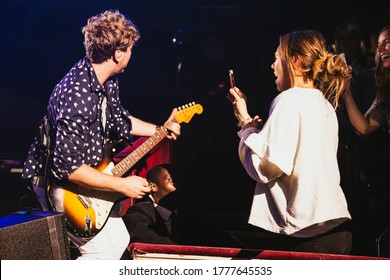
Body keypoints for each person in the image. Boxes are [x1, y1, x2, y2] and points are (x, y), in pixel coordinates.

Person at [21, 9, 181, 260]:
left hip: (85, 170)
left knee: (119, 240)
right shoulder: (77, 95)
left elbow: (119, 120)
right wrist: (122, 185)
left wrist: (160, 130)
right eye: (129, 50)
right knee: (102, 252)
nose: (130, 55)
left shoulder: (106, 79)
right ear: (118, 53)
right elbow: (69, 168)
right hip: (56, 182)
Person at [227, 29, 352, 254]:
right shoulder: (323, 104)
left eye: (276, 58)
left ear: (294, 61)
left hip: (310, 235)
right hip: (335, 230)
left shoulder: (289, 99)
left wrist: (246, 125)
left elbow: (264, 168)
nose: (272, 65)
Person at [123, 164, 179, 245]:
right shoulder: (139, 211)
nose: (176, 186)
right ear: (153, 187)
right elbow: (143, 236)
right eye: (170, 180)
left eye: (178, 181)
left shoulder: (183, 214)